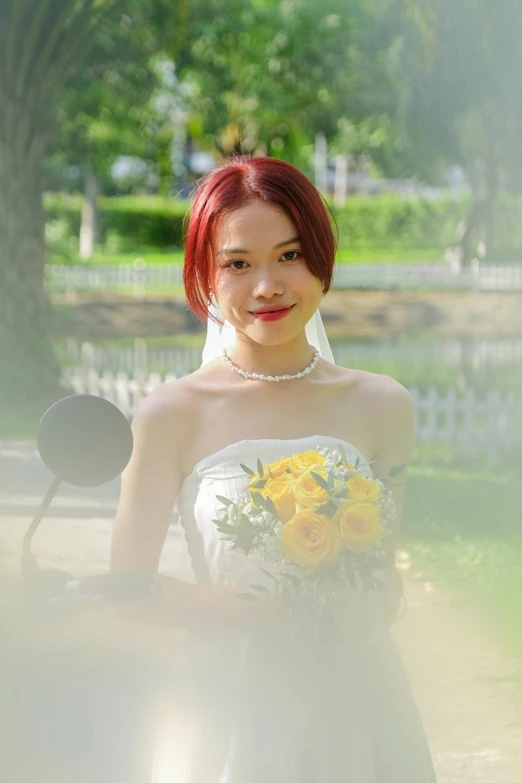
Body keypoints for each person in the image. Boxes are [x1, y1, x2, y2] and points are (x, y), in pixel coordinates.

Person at [110, 155, 438, 782]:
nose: (268, 285)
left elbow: (382, 579)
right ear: (206, 277)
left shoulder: (383, 406)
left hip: (357, 698)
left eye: (290, 256)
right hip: (230, 704)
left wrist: (363, 601)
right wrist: (258, 613)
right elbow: (127, 588)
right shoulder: (170, 414)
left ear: (322, 258)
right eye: (238, 264)